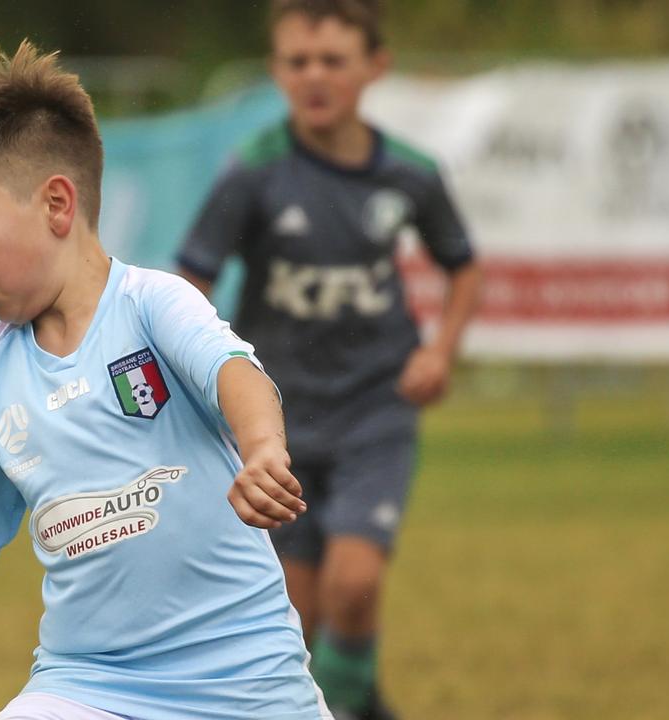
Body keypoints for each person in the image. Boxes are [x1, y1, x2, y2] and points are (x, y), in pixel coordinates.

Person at [0, 40, 333, 720]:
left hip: (248, 684)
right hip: (88, 687)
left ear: (58, 205)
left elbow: (237, 374)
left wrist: (264, 449)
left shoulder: (153, 303)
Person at [177, 2, 484, 719]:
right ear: (278, 71)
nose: (314, 76)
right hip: (274, 422)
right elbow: (189, 283)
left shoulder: (411, 174)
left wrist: (440, 351)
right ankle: (360, 704)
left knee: (355, 584)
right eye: (297, 61)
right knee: (297, 617)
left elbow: (463, 268)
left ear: (376, 67)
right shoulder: (252, 173)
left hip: (375, 408)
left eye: (333, 60)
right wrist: (201, 376)